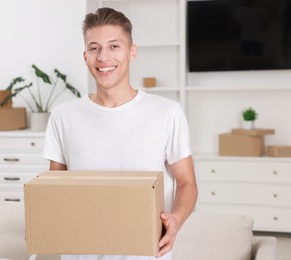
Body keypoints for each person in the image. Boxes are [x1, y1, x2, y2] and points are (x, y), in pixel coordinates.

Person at [43, 7, 198, 260]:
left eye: (114, 46)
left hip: (147, 254)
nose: (103, 57)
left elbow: (187, 182)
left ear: (132, 52)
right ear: (85, 56)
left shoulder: (167, 112)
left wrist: (176, 220)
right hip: (81, 253)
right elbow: (54, 190)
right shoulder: (63, 116)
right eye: (94, 48)